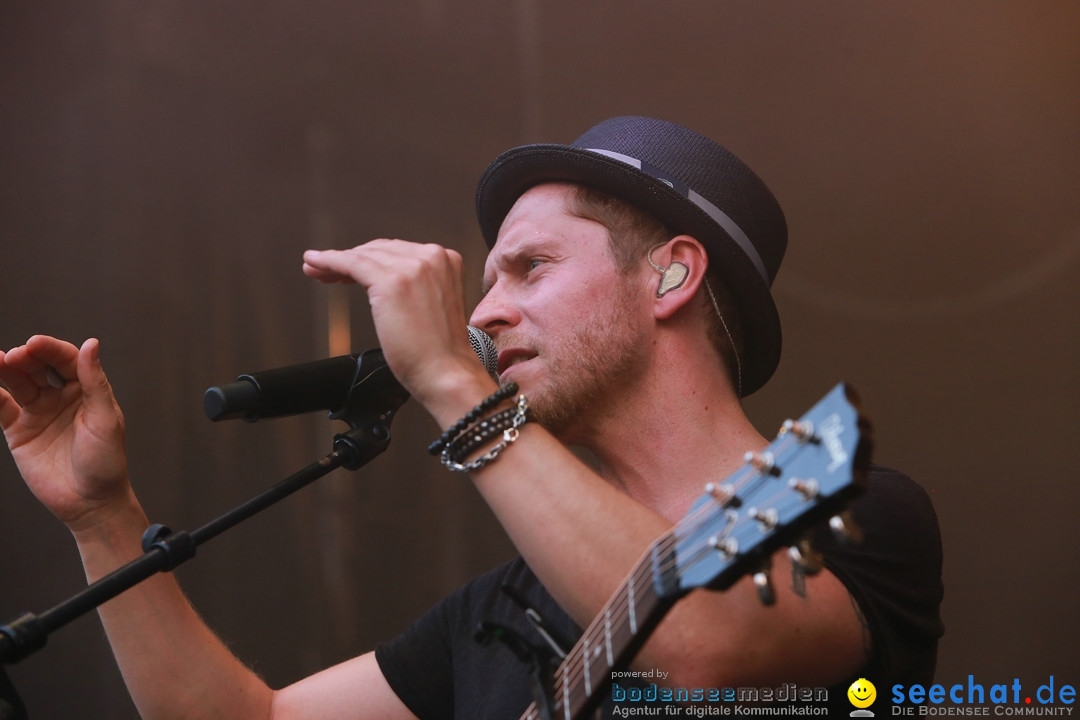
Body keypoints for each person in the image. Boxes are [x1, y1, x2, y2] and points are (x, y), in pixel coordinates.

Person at [0, 116, 943, 719]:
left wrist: (457, 384)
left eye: (530, 267)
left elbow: (701, 641)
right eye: (485, 281)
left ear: (672, 275)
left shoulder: (852, 508)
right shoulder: (506, 611)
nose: (484, 312)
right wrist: (104, 518)